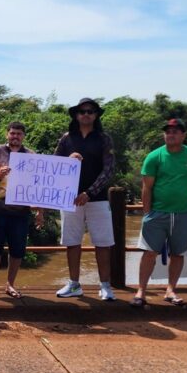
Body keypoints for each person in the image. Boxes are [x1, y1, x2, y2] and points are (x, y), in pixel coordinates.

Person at [130, 118, 187, 308]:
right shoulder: (154, 156)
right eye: (168, 131)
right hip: (157, 213)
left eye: (175, 131)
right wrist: (147, 213)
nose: (171, 134)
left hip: (184, 214)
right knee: (150, 253)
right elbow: (146, 188)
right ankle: (141, 291)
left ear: (183, 135)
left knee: (178, 254)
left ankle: (171, 290)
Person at [54, 98, 116, 302]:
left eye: (90, 111)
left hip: (98, 199)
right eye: (82, 111)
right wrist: (67, 160)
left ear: (96, 115)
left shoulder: (104, 139)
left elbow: (109, 170)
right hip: (69, 198)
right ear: (76, 115)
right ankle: (74, 284)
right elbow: (54, 166)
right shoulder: (66, 139)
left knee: (103, 242)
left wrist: (89, 192)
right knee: (72, 242)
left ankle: (105, 285)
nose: (86, 114)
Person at [0, 121, 44, 300]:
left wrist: (40, 211)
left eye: (19, 134)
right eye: (12, 133)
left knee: (17, 250)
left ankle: (10, 285)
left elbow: (38, 185)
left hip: (21, 213)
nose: (15, 136)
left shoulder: (32, 156)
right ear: (7, 134)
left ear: (24, 136)